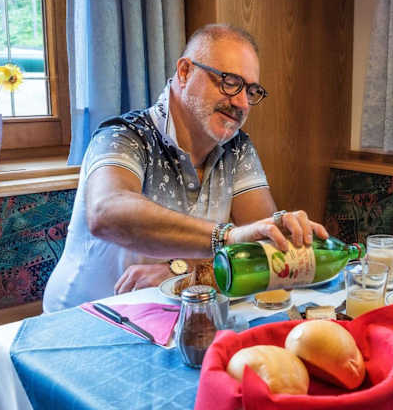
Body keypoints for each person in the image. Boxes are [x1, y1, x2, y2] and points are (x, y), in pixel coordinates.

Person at [43, 24, 328, 312]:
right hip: (87, 317)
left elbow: (265, 246)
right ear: (184, 72)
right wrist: (225, 238)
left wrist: (180, 268)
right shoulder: (123, 134)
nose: (242, 103)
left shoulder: (238, 148)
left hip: (173, 315)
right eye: (230, 82)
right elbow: (106, 212)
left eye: (251, 91)